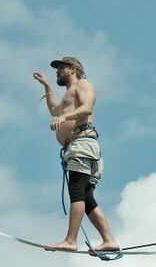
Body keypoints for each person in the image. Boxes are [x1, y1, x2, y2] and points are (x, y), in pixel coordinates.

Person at [33, 56, 120, 253]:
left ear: (73, 69)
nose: (57, 71)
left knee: (77, 191)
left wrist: (64, 117)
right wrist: (47, 87)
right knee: (86, 197)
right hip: (79, 147)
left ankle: (71, 240)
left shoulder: (84, 85)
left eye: (61, 68)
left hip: (82, 145)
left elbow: (86, 108)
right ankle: (109, 240)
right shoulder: (69, 93)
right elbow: (56, 111)